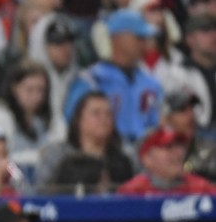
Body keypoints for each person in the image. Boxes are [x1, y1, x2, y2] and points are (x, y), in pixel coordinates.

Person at [64, 9, 162, 145]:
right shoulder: (91, 81)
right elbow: (73, 125)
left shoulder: (152, 83)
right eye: (139, 38)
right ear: (118, 38)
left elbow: (156, 125)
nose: (145, 44)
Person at [0, 60, 64, 185]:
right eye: (29, 90)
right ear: (14, 88)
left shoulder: (49, 117)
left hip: (46, 181)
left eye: (41, 90)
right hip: (9, 178)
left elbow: (61, 149)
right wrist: (38, 156)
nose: (36, 96)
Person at [36, 91, 135, 194]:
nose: (104, 119)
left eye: (108, 113)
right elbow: (41, 193)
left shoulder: (124, 158)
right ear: (79, 119)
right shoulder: (56, 155)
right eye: (96, 113)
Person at [117, 126, 216, 195]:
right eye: (168, 147)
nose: (178, 153)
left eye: (179, 146)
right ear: (147, 158)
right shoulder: (132, 192)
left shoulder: (202, 189)